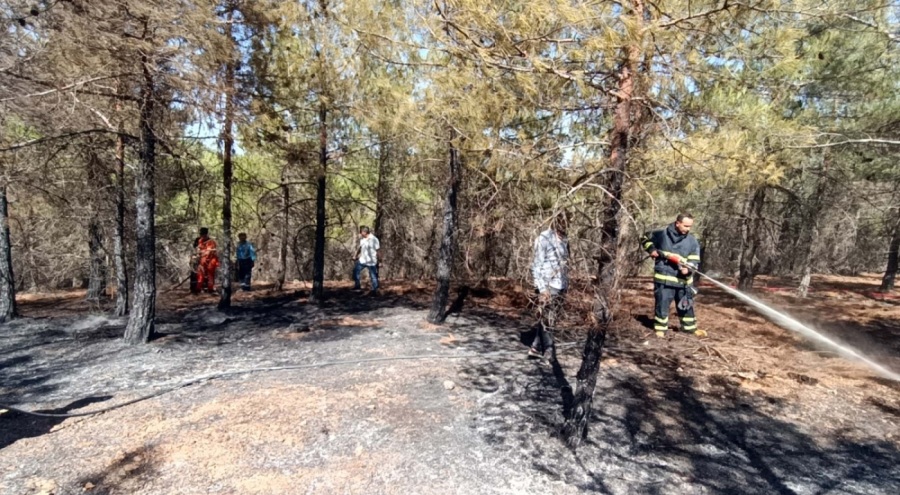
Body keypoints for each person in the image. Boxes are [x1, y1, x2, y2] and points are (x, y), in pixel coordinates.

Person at [640, 214, 706, 338]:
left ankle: (689, 329)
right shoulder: (661, 234)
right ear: (677, 223)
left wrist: (688, 268)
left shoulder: (692, 241)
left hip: (683, 281)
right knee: (662, 303)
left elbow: (694, 259)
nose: (688, 229)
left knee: (686, 305)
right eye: (686, 226)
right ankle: (660, 329)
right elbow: (644, 238)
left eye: (690, 226)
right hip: (664, 278)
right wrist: (652, 249)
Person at [529, 211, 569, 359]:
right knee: (547, 319)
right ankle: (548, 349)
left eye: (567, 220)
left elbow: (565, 264)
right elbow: (536, 265)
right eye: (561, 219)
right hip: (548, 284)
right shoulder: (544, 238)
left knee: (552, 319)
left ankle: (535, 346)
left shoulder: (565, 239)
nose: (564, 223)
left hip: (561, 284)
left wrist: (567, 284)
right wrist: (542, 288)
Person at [353, 226, 380, 295]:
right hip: (362, 260)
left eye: (361, 232)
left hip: (371, 261)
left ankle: (375, 290)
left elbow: (378, 251)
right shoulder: (362, 239)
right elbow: (360, 248)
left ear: (365, 232)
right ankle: (357, 286)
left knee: (373, 276)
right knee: (356, 271)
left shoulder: (374, 239)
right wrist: (355, 256)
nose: (360, 233)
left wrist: (380, 261)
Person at [195, 227, 219, 294]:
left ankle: (211, 289)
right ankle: (198, 288)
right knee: (200, 274)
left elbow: (208, 252)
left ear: (207, 234)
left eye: (204, 234)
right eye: (201, 234)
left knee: (210, 274)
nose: (203, 236)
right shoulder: (200, 240)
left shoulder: (211, 242)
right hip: (203, 260)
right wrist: (198, 253)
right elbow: (199, 249)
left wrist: (202, 253)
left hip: (211, 260)